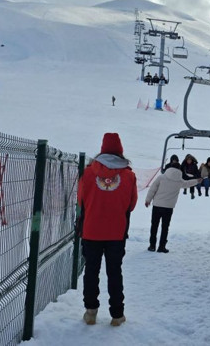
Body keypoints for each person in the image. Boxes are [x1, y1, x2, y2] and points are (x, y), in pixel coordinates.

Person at [77, 133, 137, 327]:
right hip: (116, 233)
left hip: (91, 231)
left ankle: (91, 311)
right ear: (120, 151)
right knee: (114, 272)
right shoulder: (129, 175)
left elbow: (80, 200)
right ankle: (117, 315)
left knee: (91, 271)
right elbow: (132, 204)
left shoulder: (88, 173)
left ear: (102, 149)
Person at [144, 163, 201, 253]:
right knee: (165, 227)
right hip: (168, 208)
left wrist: (148, 200)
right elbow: (187, 183)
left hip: (157, 206)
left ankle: (152, 246)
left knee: (154, 226)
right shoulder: (179, 180)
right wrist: (197, 181)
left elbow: (152, 189)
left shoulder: (161, 177)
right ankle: (161, 247)